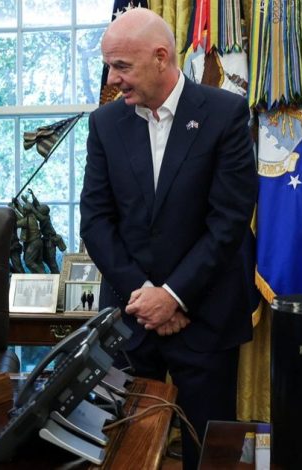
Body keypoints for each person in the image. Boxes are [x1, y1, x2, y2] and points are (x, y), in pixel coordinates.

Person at [80, 9, 257, 468]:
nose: (112, 79)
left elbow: (229, 220)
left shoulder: (225, 114)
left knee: (210, 456)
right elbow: (96, 221)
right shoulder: (104, 124)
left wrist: (174, 296)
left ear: (161, 57)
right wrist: (146, 297)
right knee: (123, 454)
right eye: (109, 66)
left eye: (121, 66)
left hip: (206, 317)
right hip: (131, 319)